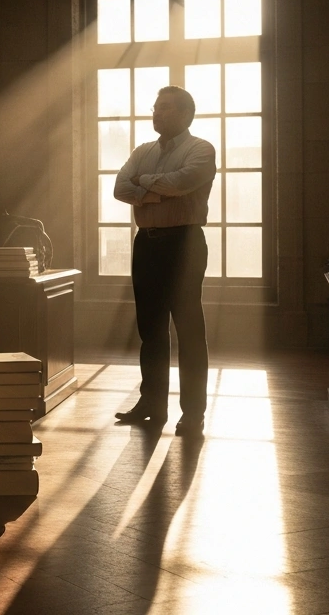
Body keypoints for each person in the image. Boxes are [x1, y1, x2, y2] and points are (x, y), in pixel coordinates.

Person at [111, 85, 217, 436]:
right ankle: (152, 404)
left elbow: (182, 181)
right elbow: (119, 188)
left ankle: (193, 414)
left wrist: (143, 184)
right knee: (150, 329)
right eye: (155, 107)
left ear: (186, 114)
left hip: (184, 243)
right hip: (146, 243)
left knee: (189, 330)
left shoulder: (201, 149)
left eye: (166, 107)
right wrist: (157, 191)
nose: (157, 112)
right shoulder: (143, 150)